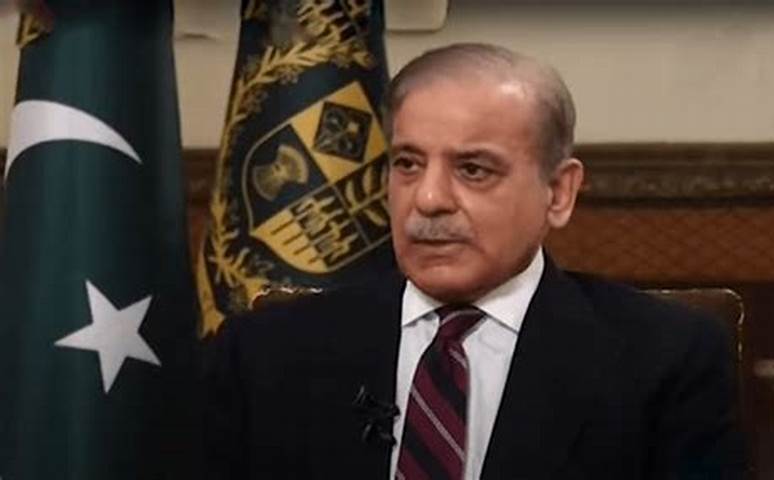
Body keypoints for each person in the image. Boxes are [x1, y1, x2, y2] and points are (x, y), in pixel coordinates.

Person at [203, 43, 745, 479]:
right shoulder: (264, 353)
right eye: (407, 164)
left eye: (473, 170)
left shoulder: (664, 359)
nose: (428, 199)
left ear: (559, 193)